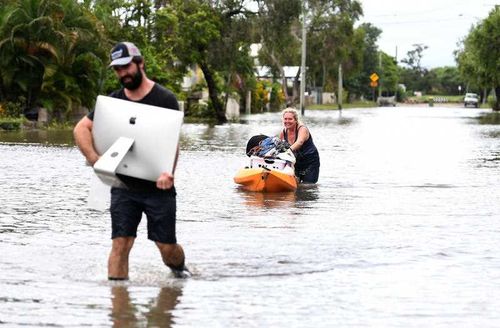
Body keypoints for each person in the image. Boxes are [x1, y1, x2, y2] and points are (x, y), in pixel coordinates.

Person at [73, 42, 189, 279]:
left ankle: (179, 270)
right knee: (120, 244)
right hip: (123, 185)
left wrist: (169, 172)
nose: (122, 73)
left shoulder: (165, 98)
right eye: (117, 69)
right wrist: (96, 160)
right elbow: (81, 129)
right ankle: (119, 307)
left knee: (166, 248)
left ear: (140, 63)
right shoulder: (112, 103)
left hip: (158, 185)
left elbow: (172, 143)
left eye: (126, 67)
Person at [279, 107, 320, 183]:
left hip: (310, 162)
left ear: (295, 120)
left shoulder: (302, 129)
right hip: (296, 163)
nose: (287, 121)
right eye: (285, 119)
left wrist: (288, 151)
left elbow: (299, 142)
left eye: (290, 119)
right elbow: (279, 147)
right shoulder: (283, 133)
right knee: (296, 185)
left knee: (308, 186)